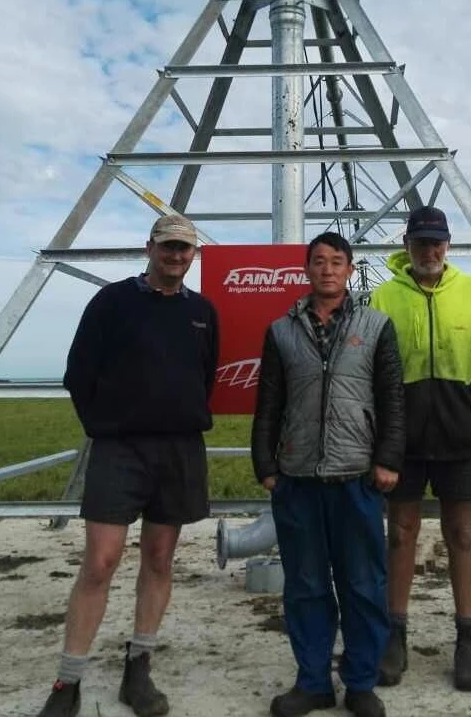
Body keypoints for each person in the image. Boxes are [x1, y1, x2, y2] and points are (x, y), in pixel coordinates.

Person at [36, 214, 219, 717]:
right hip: (120, 449)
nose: (175, 256)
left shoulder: (202, 311)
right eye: (167, 247)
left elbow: (205, 375)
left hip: (179, 449)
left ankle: (138, 667)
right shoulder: (112, 302)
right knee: (101, 561)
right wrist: (103, 423)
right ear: (149, 248)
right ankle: (67, 682)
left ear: (193, 254)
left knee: (160, 560)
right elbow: (79, 371)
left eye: (184, 249)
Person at [251, 232, 405, 717]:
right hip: (297, 479)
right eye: (318, 261)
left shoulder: (377, 325)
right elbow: (268, 404)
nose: (327, 269)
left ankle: (360, 682)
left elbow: (392, 400)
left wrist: (388, 460)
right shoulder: (280, 330)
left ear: (350, 269)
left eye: (337, 262)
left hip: (357, 476)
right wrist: (266, 467)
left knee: (363, 584)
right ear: (306, 269)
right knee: (306, 585)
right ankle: (313, 682)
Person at [369, 206, 471, 692]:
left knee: (463, 535)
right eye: (420, 241)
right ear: (406, 245)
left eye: (437, 242)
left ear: (448, 245)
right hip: (402, 439)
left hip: (458, 438)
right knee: (400, 533)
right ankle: (395, 633)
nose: (429, 250)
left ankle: (467, 637)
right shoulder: (383, 296)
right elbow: (369, 365)